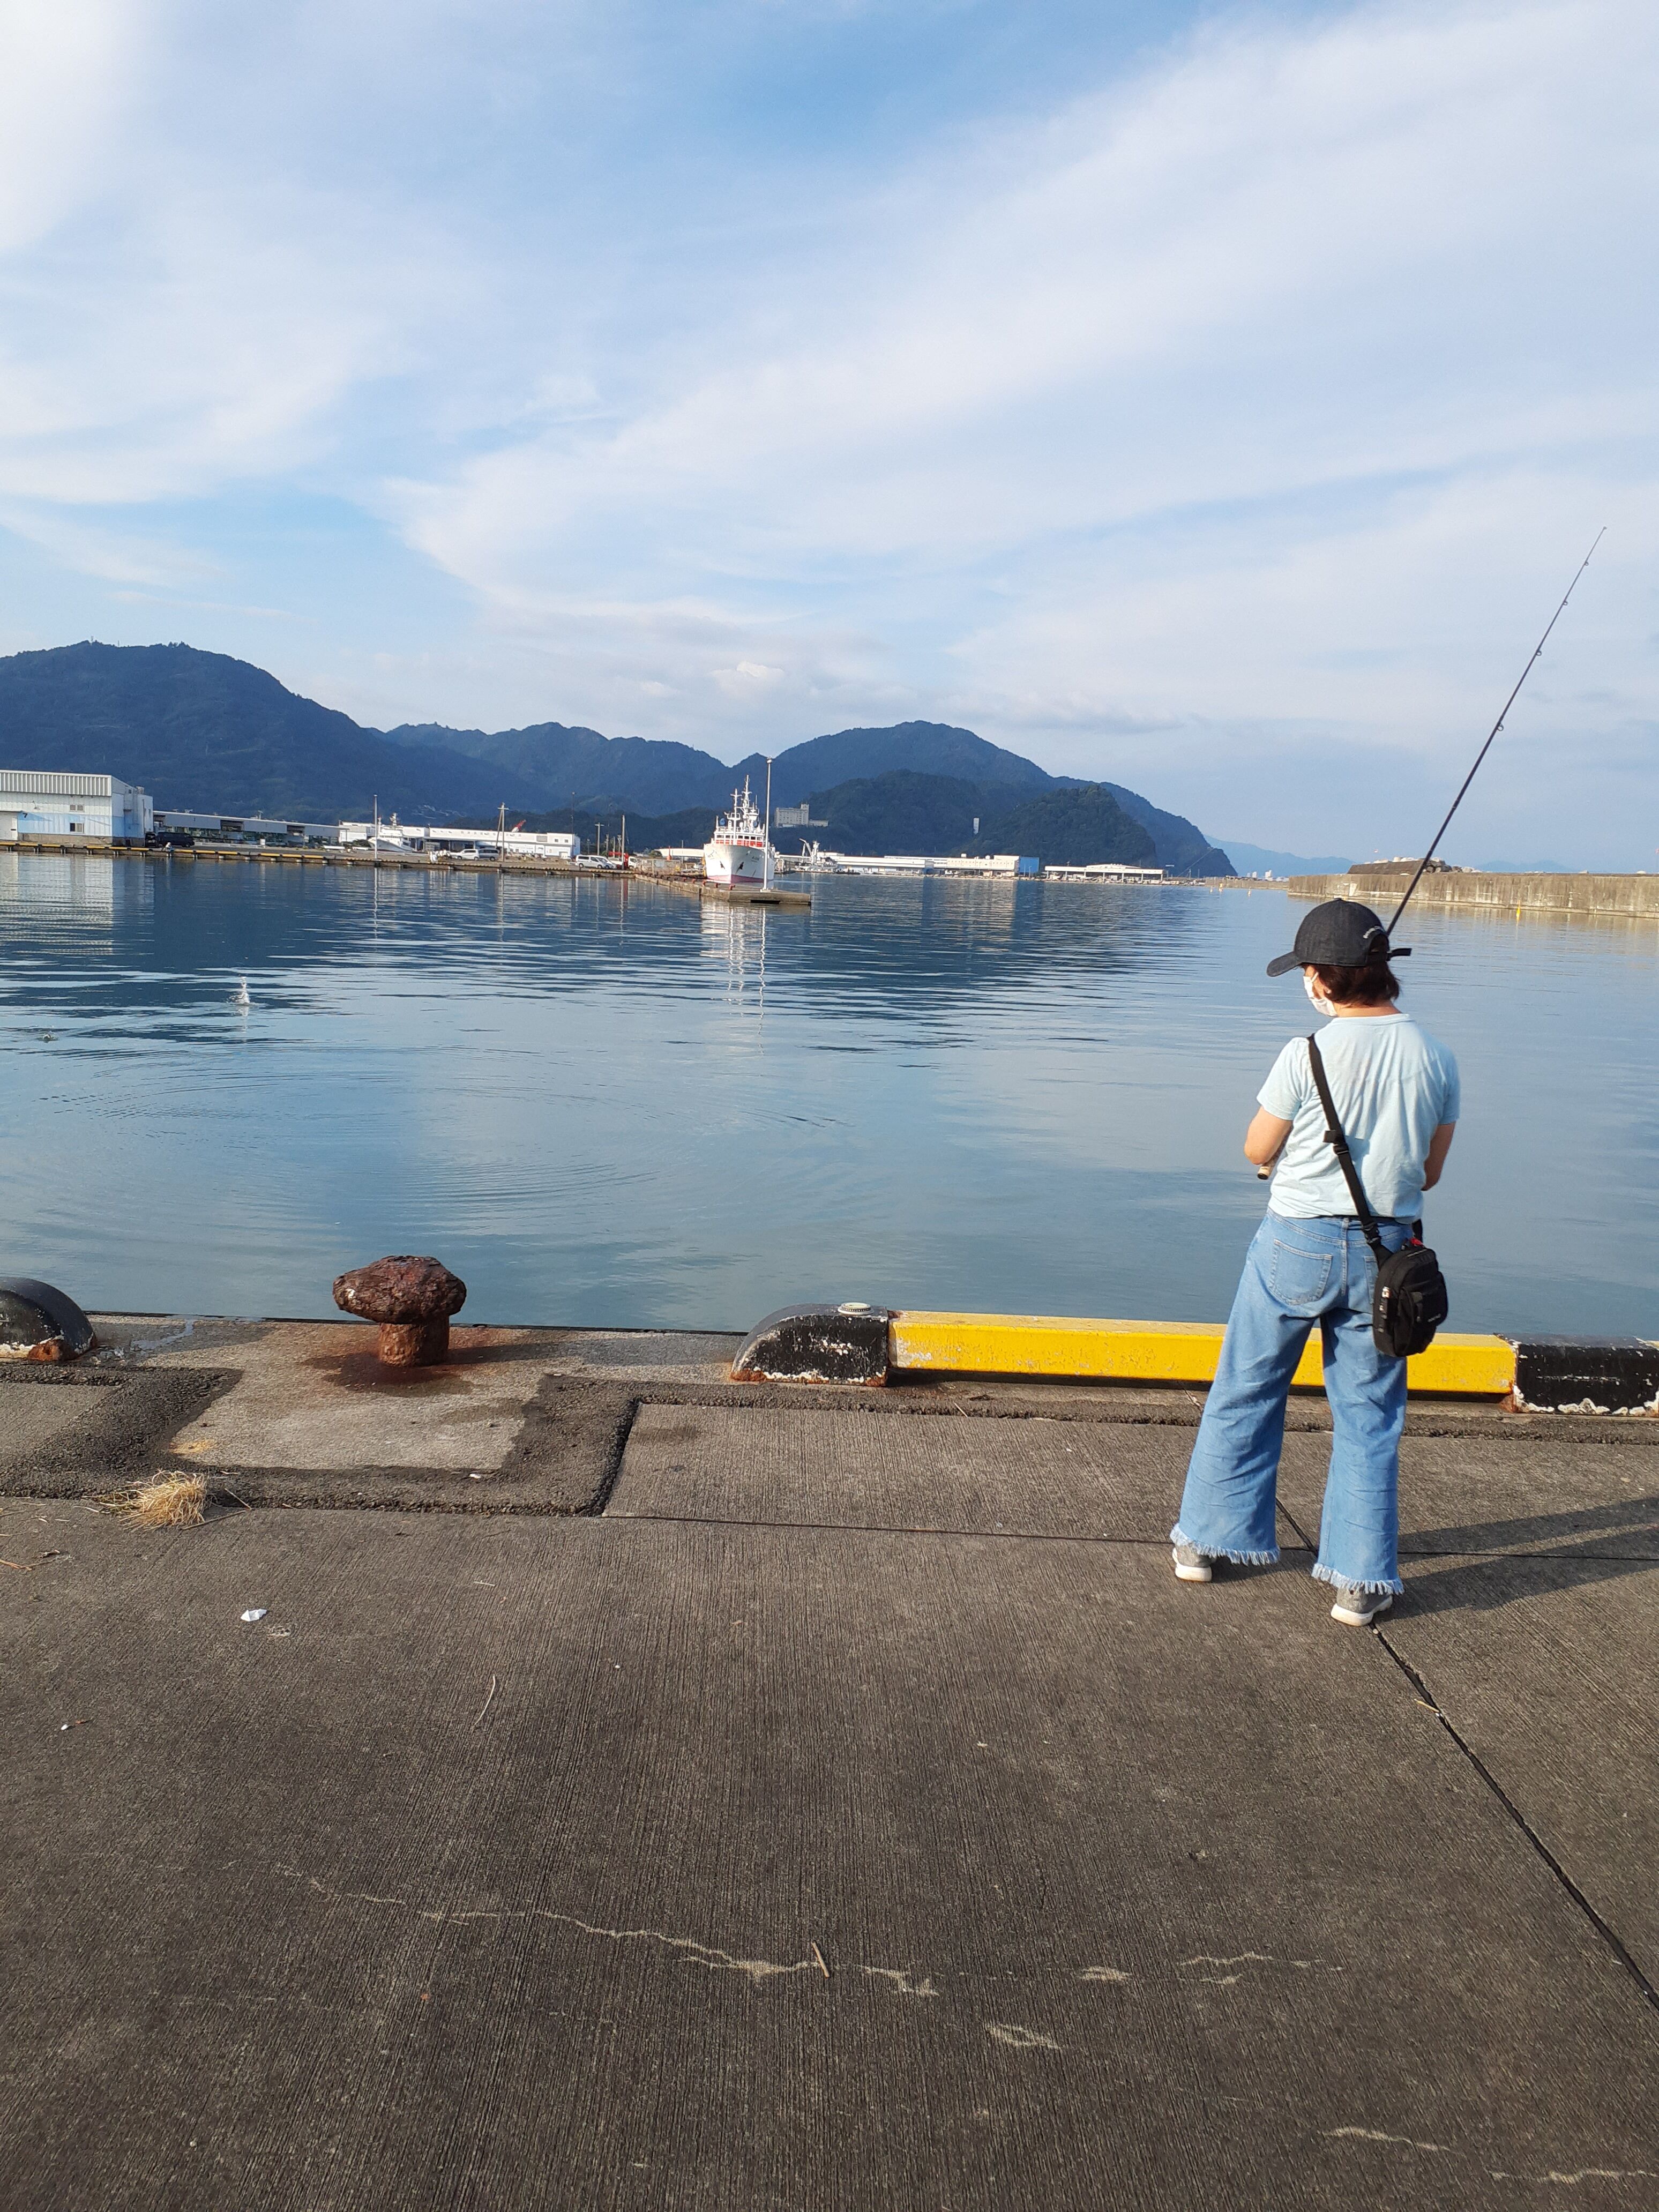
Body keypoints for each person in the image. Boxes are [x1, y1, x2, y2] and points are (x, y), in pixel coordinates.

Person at [1169, 898, 1459, 1626]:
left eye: (1305, 972)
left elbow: (1257, 1149)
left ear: (1321, 981)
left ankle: (1206, 1544)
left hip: (1295, 1242)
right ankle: (1360, 1583)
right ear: (1383, 973)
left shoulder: (1303, 1054)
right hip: (1386, 1253)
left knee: (1247, 1388)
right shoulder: (1437, 1056)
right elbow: (1428, 1172)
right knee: (1368, 1415)